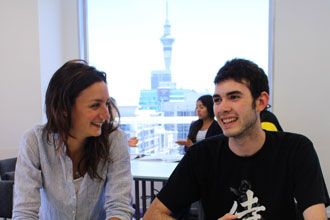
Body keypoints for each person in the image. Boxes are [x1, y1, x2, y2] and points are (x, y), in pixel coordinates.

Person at [144, 58, 329, 220]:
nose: (222, 108)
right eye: (217, 100)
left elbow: (316, 215)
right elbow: (153, 214)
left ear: (261, 102)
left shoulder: (296, 149)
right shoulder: (201, 156)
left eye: (234, 97)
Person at [13, 60, 134, 219]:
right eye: (95, 105)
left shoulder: (114, 140)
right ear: (64, 109)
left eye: (107, 103)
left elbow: (119, 207)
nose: (106, 115)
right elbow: (25, 212)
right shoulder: (34, 142)